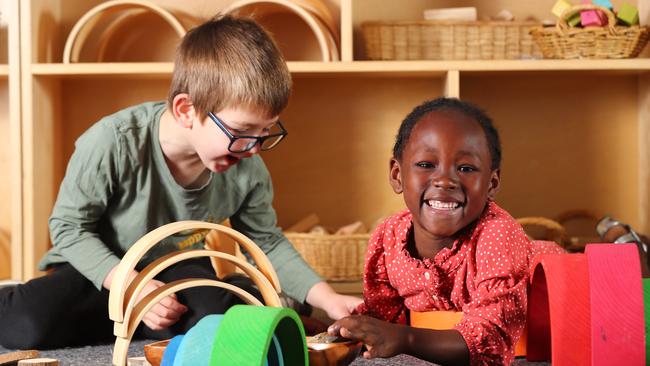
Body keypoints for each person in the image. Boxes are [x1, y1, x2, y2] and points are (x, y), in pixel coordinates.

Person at [0, 14, 361, 350]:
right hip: (101, 267)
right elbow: (69, 229)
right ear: (187, 110)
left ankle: (194, 306)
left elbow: (266, 242)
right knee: (31, 326)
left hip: (177, 268)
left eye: (265, 132)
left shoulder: (248, 168)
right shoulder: (112, 140)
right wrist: (133, 288)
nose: (253, 148)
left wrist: (328, 299)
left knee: (216, 322)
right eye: (241, 132)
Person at [327, 98, 564, 366]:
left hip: (556, 311)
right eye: (426, 164)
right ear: (397, 175)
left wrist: (407, 339)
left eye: (466, 168)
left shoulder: (497, 233)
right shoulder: (388, 237)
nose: (445, 181)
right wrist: (347, 329)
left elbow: (490, 340)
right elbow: (384, 322)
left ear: (492, 183)